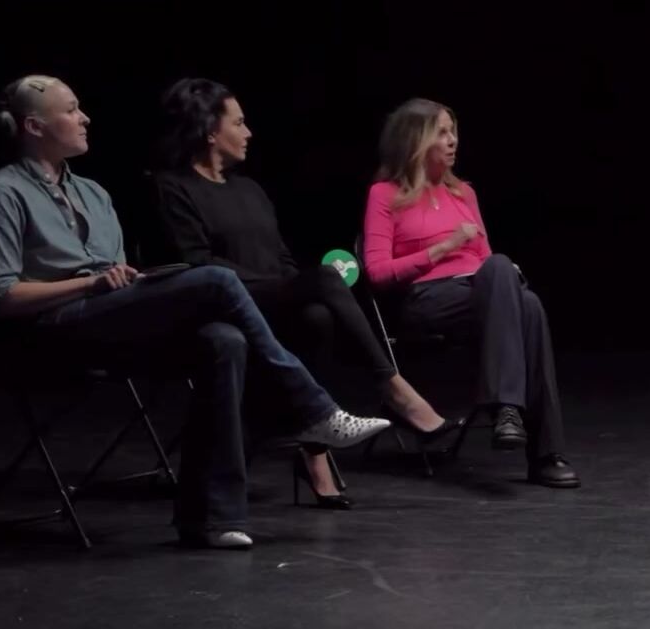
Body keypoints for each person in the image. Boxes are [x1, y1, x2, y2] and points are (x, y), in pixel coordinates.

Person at [0, 75, 390, 548]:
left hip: (107, 319)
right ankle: (313, 407)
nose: (84, 118)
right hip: (51, 331)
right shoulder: (1, 192)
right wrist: (91, 283)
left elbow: (115, 273)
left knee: (224, 339)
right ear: (34, 126)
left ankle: (210, 518)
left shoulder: (94, 193)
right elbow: (2, 298)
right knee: (217, 279)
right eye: (70, 110)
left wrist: (126, 279)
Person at [149, 78, 459, 509]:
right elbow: (196, 262)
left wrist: (292, 289)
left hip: (270, 304)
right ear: (209, 130)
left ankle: (313, 450)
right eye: (238, 123)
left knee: (318, 316)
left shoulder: (249, 189)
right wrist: (285, 287)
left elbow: (282, 258)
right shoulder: (172, 187)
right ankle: (392, 389)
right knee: (327, 279)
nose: (248, 132)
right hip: (219, 304)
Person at [362, 98, 579, 488]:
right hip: (427, 301)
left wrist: (502, 273)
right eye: (442, 133)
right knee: (522, 298)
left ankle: (515, 419)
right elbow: (376, 273)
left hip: (480, 295)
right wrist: (443, 248)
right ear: (414, 140)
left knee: (520, 293)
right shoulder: (384, 194)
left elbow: (485, 259)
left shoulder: (464, 193)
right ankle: (538, 446)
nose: (453, 141)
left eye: (454, 132)